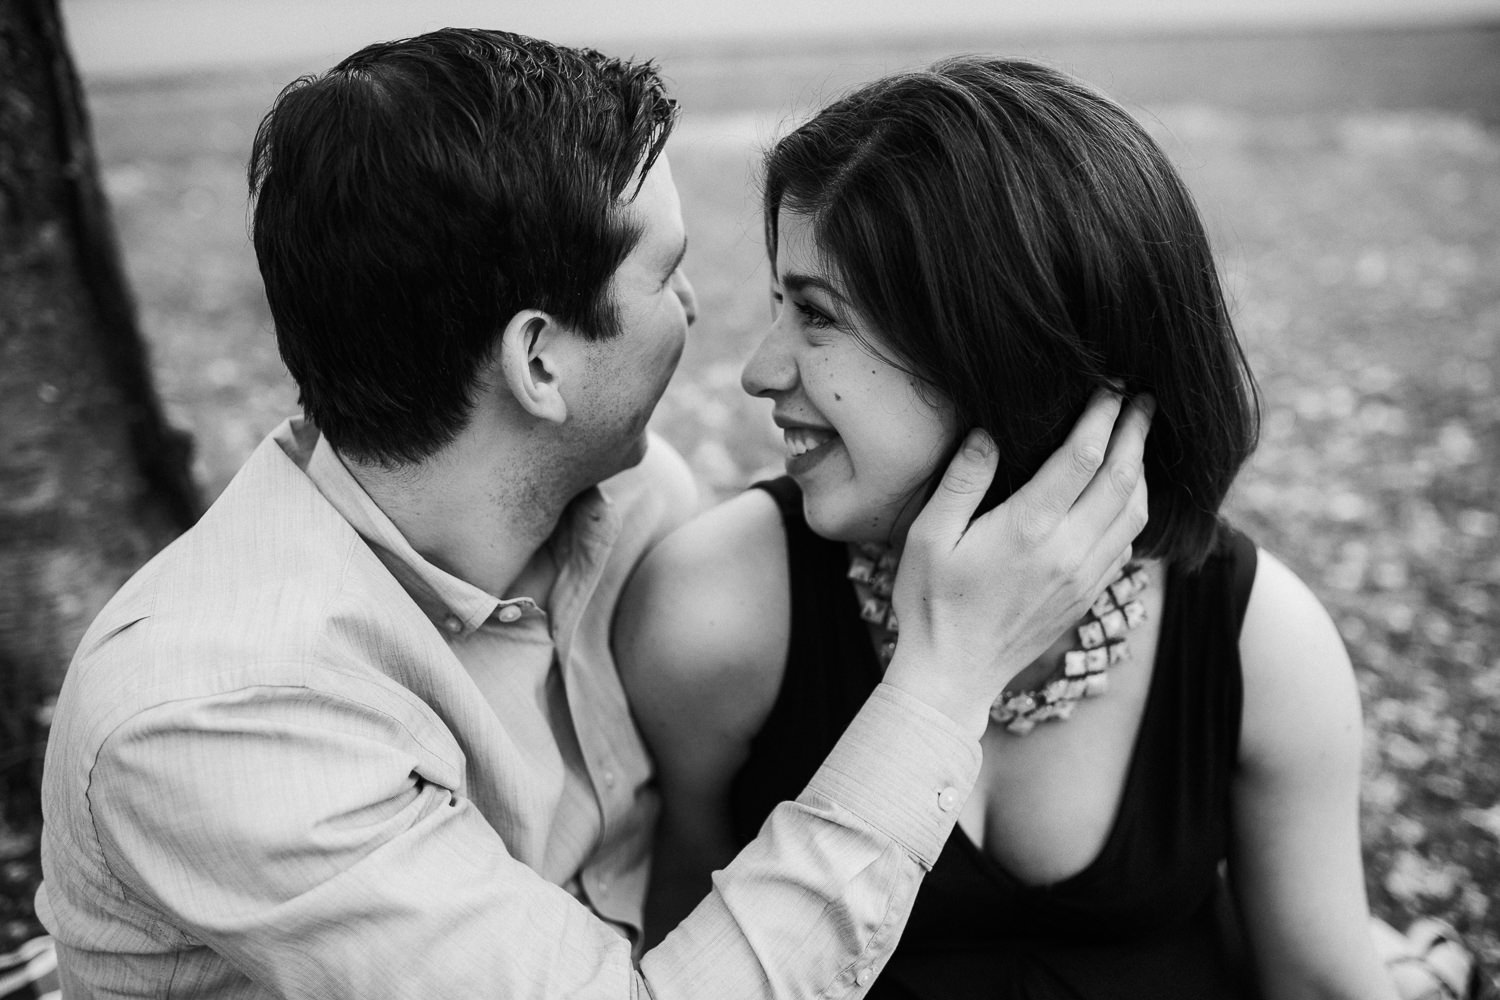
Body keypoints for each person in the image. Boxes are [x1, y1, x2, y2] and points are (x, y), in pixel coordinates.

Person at [34, 30, 1152, 999]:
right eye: (665, 275)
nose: (703, 311)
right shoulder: (219, 720)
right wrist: (945, 681)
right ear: (539, 362)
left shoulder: (628, 501)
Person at [617, 57, 1406, 1000]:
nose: (759, 369)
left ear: (998, 347)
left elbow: (1320, 984)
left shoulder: (1260, 643)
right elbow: (681, 959)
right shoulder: (715, 615)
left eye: (817, 317)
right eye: (780, 304)